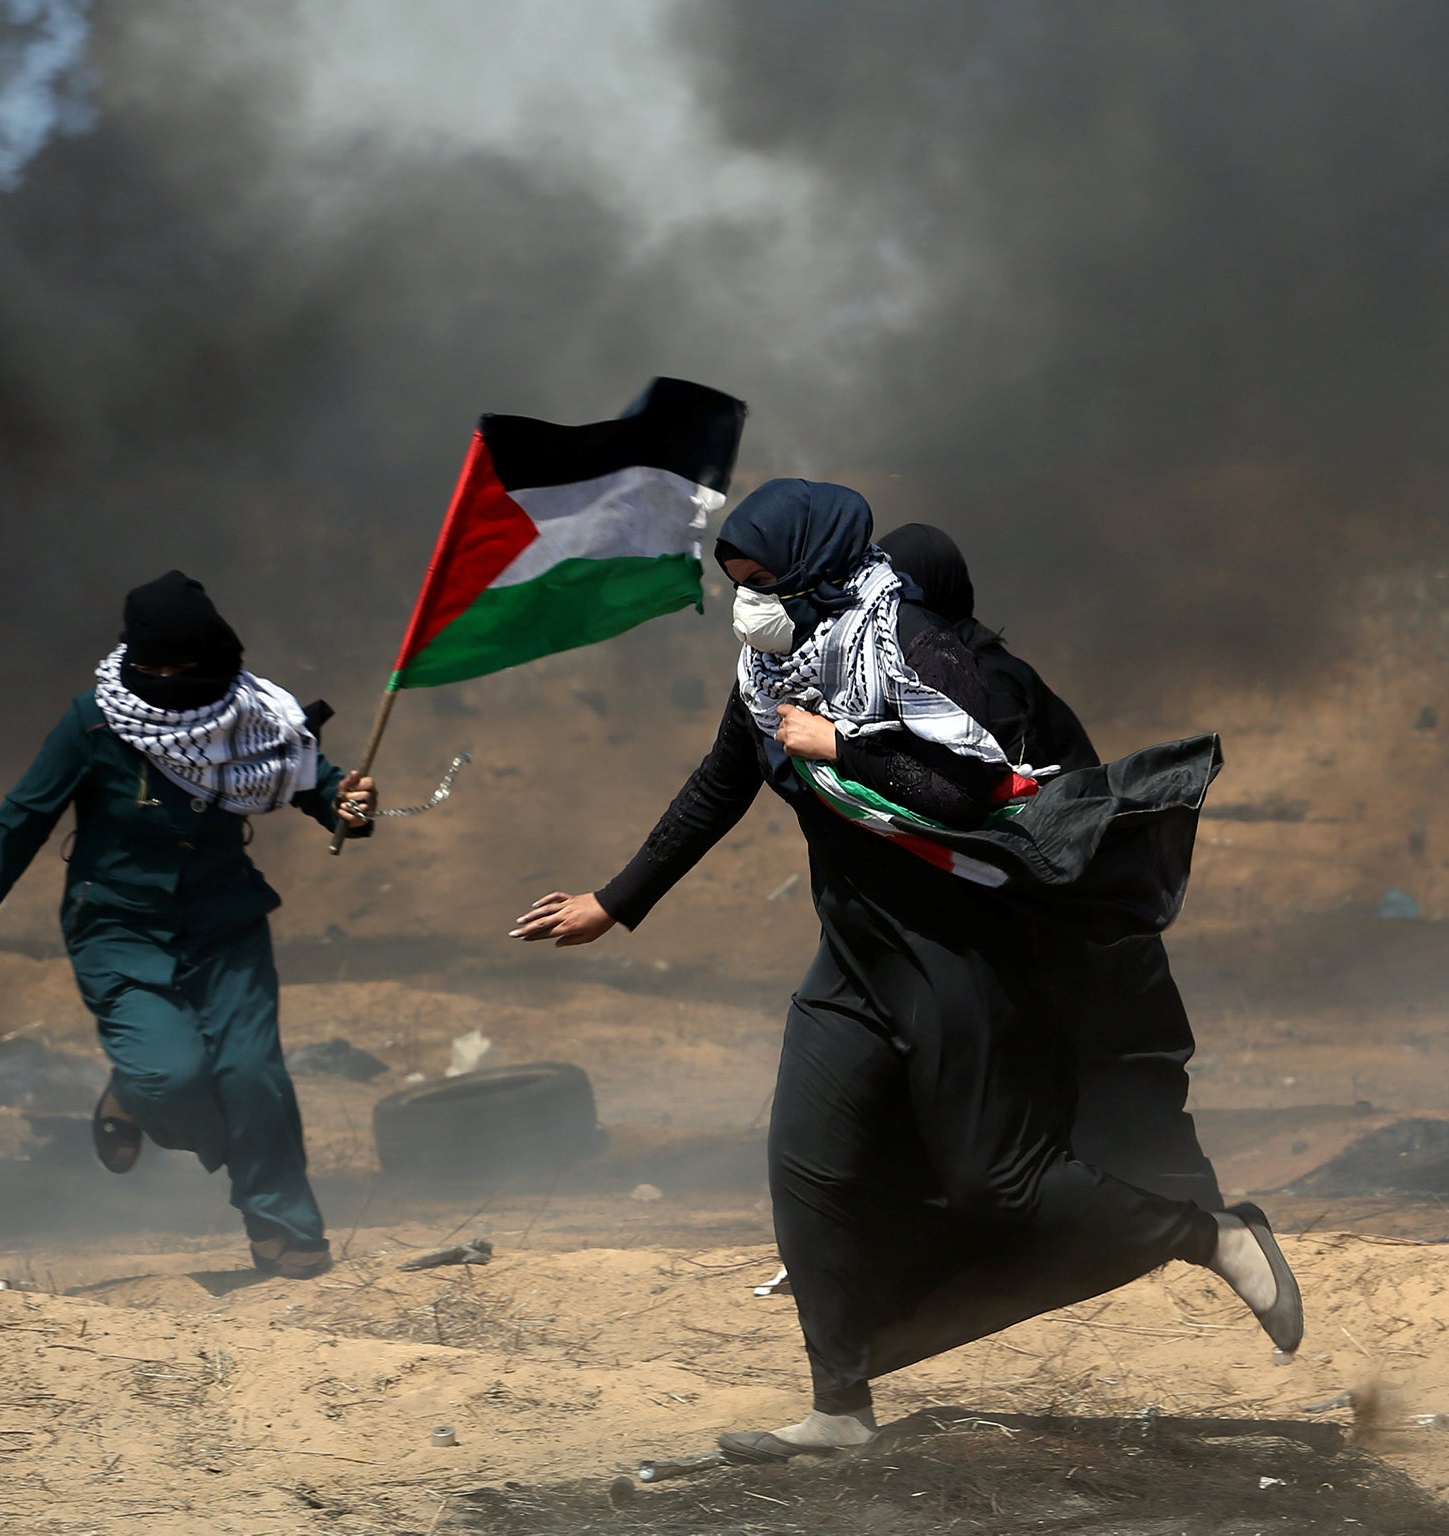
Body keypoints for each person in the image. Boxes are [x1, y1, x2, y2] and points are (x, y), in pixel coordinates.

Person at [511, 480, 1298, 1459]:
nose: (745, 603)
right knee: (805, 1166)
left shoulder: (920, 650)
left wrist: (844, 744)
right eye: (736, 583)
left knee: (997, 1184)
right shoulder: (778, 665)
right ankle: (838, 1408)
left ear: (809, 568)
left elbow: (984, 787)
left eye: (759, 582)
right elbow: (719, 781)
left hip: (957, 956)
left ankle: (1207, 1236)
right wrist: (614, 901)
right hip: (852, 956)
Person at [0, 571, 377, 1281]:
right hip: (118, 927)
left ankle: (280, 1227)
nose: (166, 679)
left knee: (254, 1077)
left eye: (182, 667)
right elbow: (23, 818)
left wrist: (347, 804)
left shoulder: (253, 714)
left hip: (226, 924)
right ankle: (133, 1095)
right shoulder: (96, 722)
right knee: (172, 1077)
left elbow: (310, 779)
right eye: (152, 667)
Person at [879, 520, 1221, 1210]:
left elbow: (999, 809)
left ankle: (1194, 1235)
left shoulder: (987, 685)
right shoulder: (930, 674)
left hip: (1080, 919)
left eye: (896, 595)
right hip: (1047, 913)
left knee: (1119, 1094)